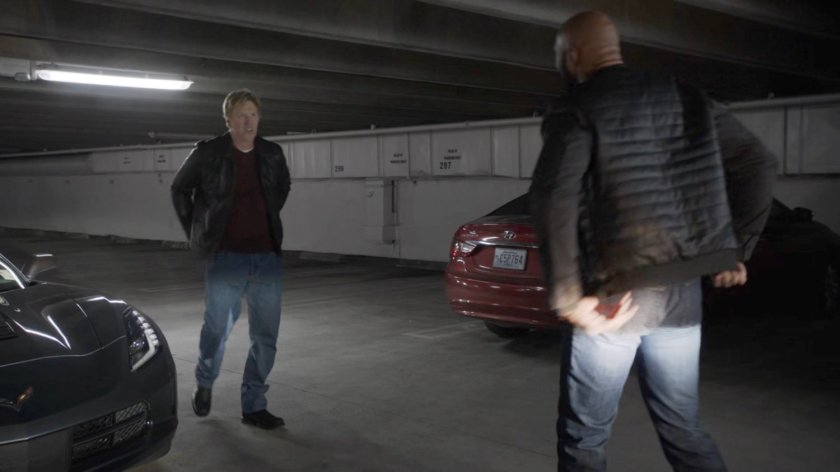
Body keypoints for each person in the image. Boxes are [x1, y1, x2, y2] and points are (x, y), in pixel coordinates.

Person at [529, 11, 776, 471]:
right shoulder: (687, 97)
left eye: (559, 57)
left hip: (612, 298)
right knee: (682, 425)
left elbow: (553, 197)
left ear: (573, 54)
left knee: (584, 435)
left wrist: (568, 295)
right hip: (682, 298)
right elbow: (758, 162)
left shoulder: (579, 106)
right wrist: (737, 249)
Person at [171, 89, 291, 430]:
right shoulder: (208, 153)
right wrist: (198, 231)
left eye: (253, 113)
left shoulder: (271, 153)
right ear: (228, 120)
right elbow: (179, 188)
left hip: (266, 257)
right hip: (225, 258)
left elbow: (283, 187)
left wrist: (263, 218)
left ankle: (254, 404)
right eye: (241, 114)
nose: (248, 120)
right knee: (217, 329)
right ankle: (205, 382)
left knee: (266, 336)